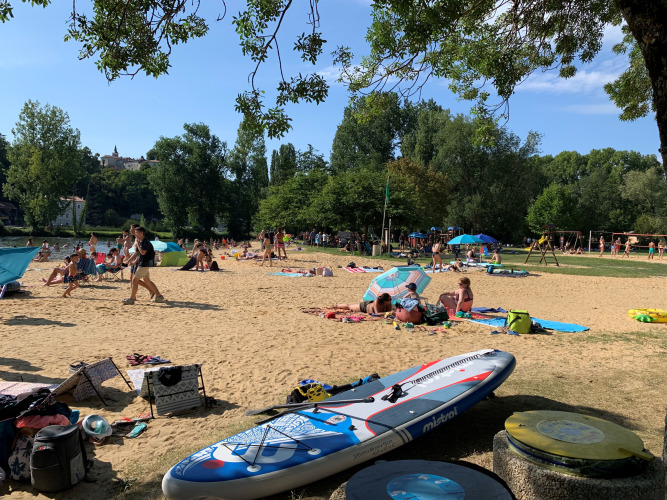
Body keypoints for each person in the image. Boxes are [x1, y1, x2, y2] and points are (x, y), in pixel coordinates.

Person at [123, 227, 165, 304]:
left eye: (136, 232)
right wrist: (128, 260)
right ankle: (159, 296)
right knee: (147, 281)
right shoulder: (141, 242)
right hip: (142, 263)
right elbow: (136, 253)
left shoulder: (145, 242)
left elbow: (142, 252)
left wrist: (138, 244)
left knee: (135, 280)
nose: (134, 234)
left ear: (141, 233)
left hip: (144, 264)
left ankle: (132, 299)